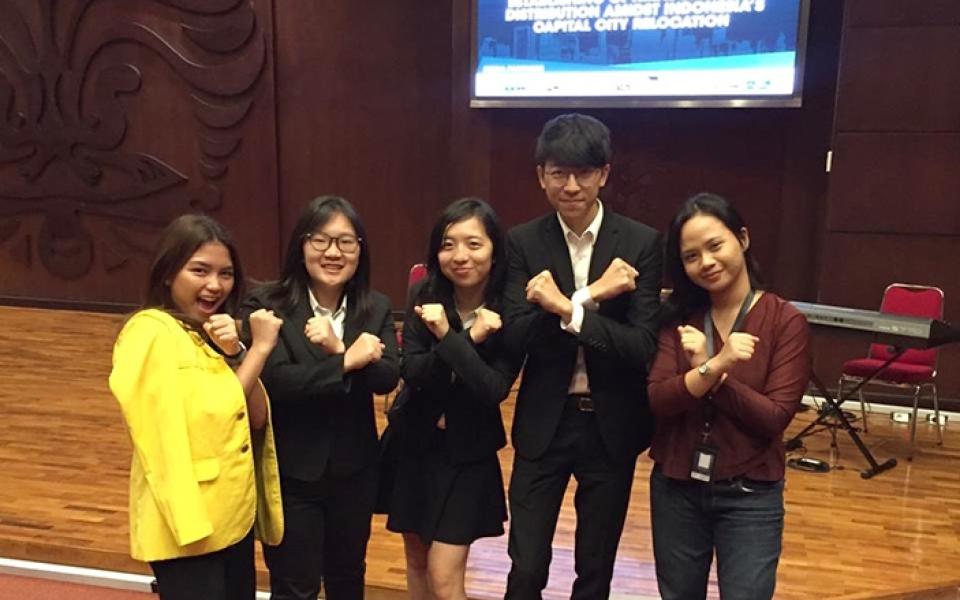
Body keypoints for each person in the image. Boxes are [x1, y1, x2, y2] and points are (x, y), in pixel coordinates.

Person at [502, 113, 663, 599]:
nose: (571, 186)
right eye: (558, 173)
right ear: (541, 177)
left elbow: (641, 347)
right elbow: (515, 336)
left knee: (595, 570)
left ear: (604, 174)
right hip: (543, 423)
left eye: (584, 173)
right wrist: (592, 296)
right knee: (526, 567)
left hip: (610, 425)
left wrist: (561, 305)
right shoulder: (523, 242)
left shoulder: (640, 243)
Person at [109, 214, 284, 600]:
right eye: (199, 271)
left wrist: (238, 353)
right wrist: (260, 350)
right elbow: (206, 418)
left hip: (231, 517)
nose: (215, 285)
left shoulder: (202, 334)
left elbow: (254, 417)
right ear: (169, 273)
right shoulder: (149, 331)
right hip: (188, 519)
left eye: (226, 273)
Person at [647, 192, 811, 600]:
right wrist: (716, 365)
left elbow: (773, 417)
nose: (706, 262)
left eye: (715, 245)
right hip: (677, 487)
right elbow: (660, 399)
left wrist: (708, 373)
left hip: (751, 493)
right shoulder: (677, 317)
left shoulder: (784, 321)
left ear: (743, 238)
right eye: (690, 256)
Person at [242, 196, 400, 600]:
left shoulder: (375, 306)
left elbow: (386, 377)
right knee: (295, 587)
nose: (334, 252)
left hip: (355, 471)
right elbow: (278, 383)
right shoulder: (267, 305)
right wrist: (347, 359)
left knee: (348, 580)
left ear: (360, 250)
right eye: (321, 240)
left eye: (346, 242)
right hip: (294, 472)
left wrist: (334, 349)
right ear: (302, 245)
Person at [386, 198, 519, 600]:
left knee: (444, 578)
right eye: (448, 244)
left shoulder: (509, 309)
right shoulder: (424, 296)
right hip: (414, 444)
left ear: (495, 251)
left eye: (473, 244)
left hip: (468, 454)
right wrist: (470, 339)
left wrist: (447, 338)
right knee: (416, 562)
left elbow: (492, 388)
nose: (459, 255)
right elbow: (413, 372)